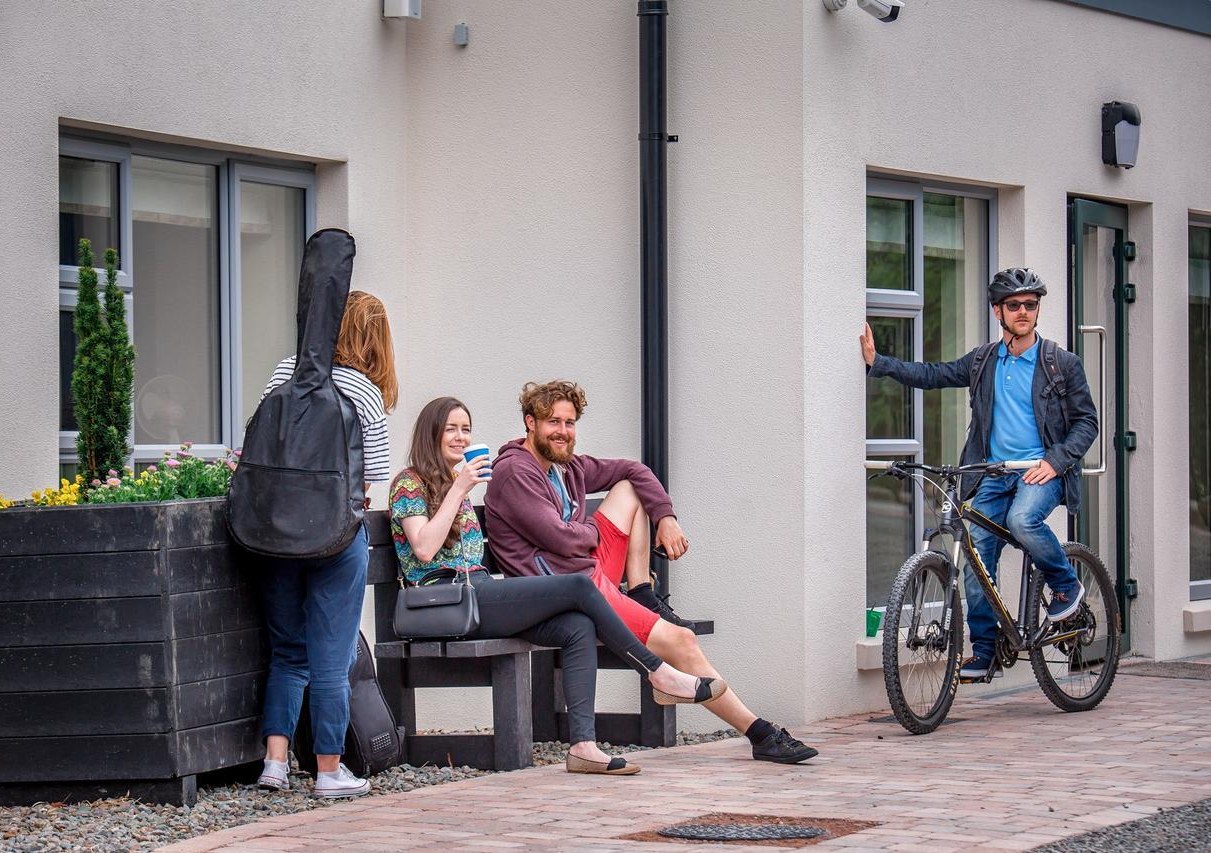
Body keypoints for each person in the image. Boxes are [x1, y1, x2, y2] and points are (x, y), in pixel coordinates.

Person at [483, 381, 819, 765]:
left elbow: (634, 469)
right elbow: (559, 539)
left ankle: (641, 590)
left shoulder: (566, 466)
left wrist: (666, 516)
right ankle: (760, 733)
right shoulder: (515, 472)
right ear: (530, 422)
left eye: (570, 422)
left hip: (584, 571)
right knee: (682, 641)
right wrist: (593, 532)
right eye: (552, 422)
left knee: (630, 487)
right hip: (558, 588)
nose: (562, 431)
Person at [390, 397, 725, 776]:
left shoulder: (457, 486)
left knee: (577, 626)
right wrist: (459, 489)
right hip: (441, 603)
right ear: (430, 432)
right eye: (451, 429)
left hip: (476, 596)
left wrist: (458, 488)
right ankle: (656, 671)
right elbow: (424, 546)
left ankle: (583, 746)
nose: (461, 437)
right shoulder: (409, 483)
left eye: (466, 429)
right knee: (580, 589)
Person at [860, 267, 1100, 680]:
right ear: (998, 311)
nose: (1023, 311)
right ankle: (986, 650)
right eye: (1014, 305)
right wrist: (878, 363)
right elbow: (934, 375)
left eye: (1030, 304)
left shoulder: (1062, 364)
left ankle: (1065, 585)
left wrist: (1055, 461)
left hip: (1039, 472)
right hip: (993, 474)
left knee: (1022, 520)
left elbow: (1087, 423)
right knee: (975, 556)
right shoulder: (984, 361)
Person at [256, 290, 397, 798]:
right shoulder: (364, 391)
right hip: (336, 536)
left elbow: (258, 446)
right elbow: (374, 477)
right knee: (331, 658)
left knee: (287, 652)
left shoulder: (283, 373)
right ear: (374, 338)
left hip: (273, 535)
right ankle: (328, 770)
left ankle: (274, 763)